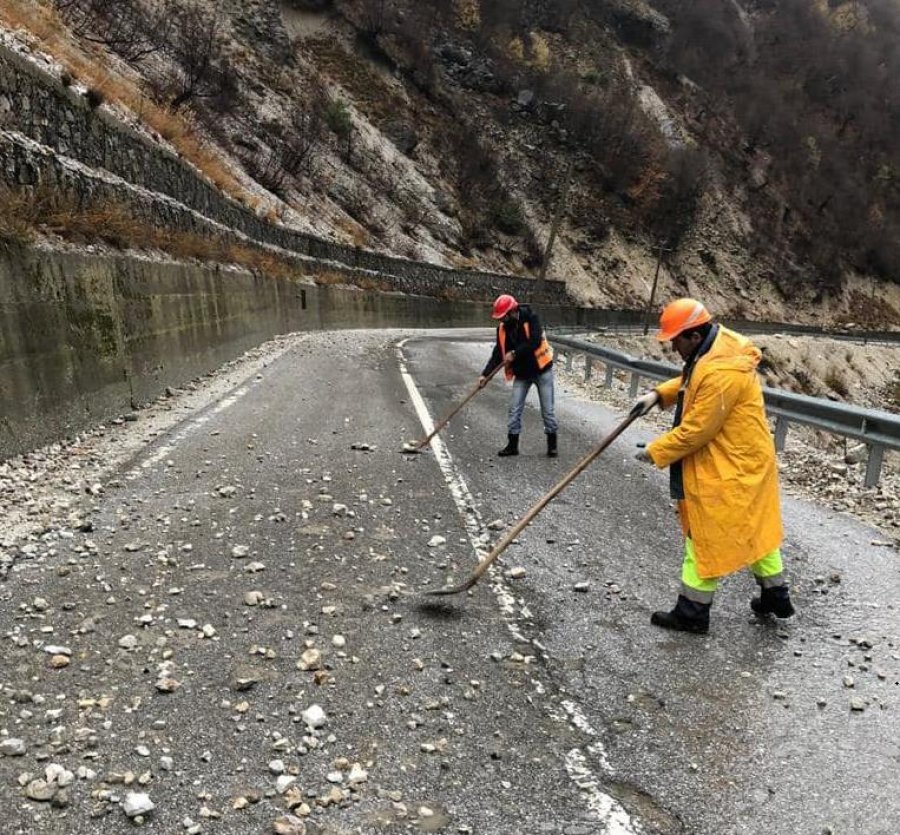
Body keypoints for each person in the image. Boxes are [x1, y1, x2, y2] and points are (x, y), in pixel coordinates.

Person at [631, 297, 795, 634]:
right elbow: (692, 382)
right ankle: (776, 596)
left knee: (703, 534)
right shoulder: (714, 351)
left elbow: (696, 431)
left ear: (693, 335)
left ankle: (691, 613)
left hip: (732, 466)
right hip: (746, 460)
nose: (672, 346)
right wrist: (659, 395)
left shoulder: (721, 371)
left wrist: (655, 451)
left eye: (675, 339)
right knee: (754, 529)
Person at [479, 294, 558, 457]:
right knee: (514, 409)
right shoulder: (502, 329)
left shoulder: (531, 318)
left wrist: (514, 353)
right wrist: (485, 375)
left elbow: (534, 341)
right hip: (522, 374)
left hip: (542, 370)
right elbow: (497, 353)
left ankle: (552, 445)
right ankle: (512, 445)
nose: (502, 320)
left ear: (513, 311)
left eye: (504, 316)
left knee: (547, 412)